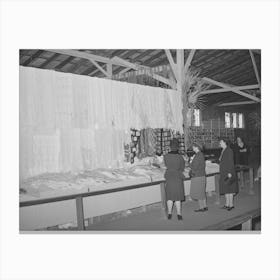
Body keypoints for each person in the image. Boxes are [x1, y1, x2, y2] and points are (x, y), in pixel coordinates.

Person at [164, 138, 185, 220]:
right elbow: (182, 168)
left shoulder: (166, 156)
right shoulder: (180, 157)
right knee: (178, 197)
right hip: (177, 177)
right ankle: (179, 214)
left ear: (170, 146)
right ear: (177, 147)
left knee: (169, 197)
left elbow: (166, 165)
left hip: (169, 177)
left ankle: (169, 214)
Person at [218, 137, 239, 211]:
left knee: (230, 189)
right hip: (224, 172)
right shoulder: (223, 150)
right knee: (226, 189)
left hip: (228, 172)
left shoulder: (229, 150)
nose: (219, 143)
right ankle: (227, 204)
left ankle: (231, 205)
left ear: (224, 142)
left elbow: (231, 162)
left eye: (220, 142)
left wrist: (230, 173)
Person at [189, 143, 207, 212]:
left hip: (197, 176)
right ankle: (204, 206)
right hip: (202, 175)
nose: (192, 148)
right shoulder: (201, 154)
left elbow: (194, 167)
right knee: (202, 192)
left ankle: (201, 208)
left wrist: (190, 161)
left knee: (199, 192)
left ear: (197, 147)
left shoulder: (198, 155)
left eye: (193, 147)